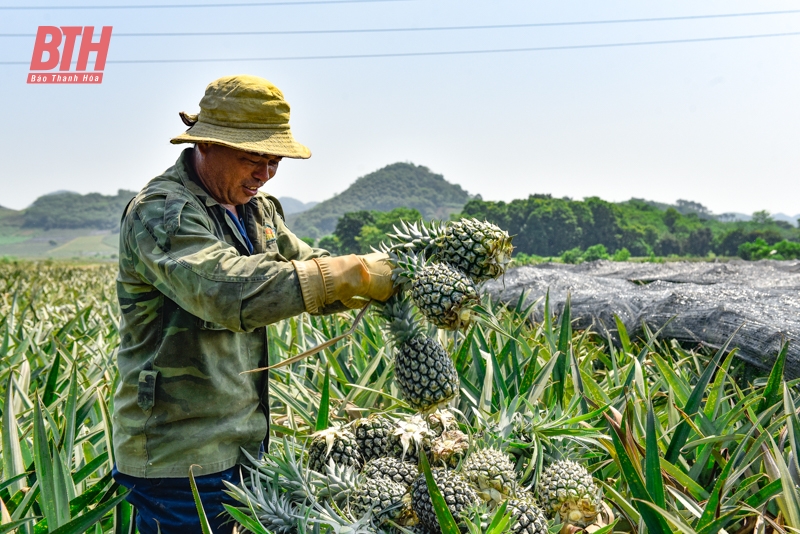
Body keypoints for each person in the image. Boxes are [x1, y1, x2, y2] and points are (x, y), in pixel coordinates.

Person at [111, 74, 394, 534]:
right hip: (179, 453)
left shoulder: (255, 210)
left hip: (243, 442)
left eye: (275, 161)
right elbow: (230, 292)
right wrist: (348, 274)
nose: (264, 174)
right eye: (251, 159)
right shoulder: (162, 212)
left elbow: (306, 269)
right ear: (206, 145)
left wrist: (385, 277)